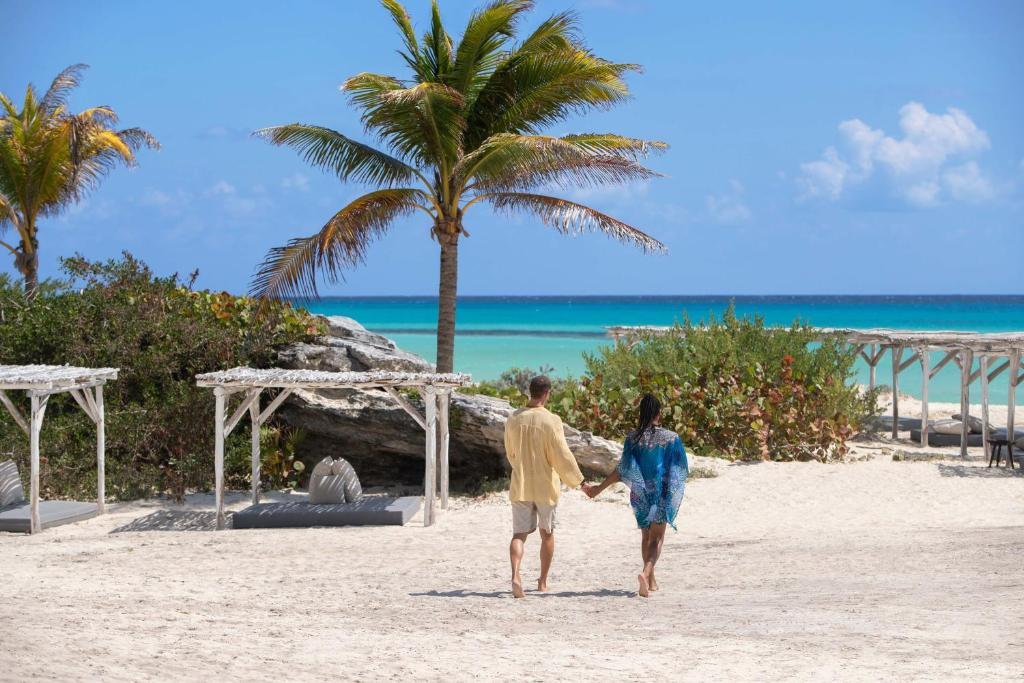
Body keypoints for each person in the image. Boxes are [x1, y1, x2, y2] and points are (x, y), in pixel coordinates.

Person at [584, 394, 688, 597]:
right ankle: (646, 572)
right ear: (659, 413)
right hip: (660, 493)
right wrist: (670, 491)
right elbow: (680, 469)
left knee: (646, 535)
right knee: (657, 538)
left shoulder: (632, 439)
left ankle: (650, 579)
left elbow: (622, 470)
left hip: (640, 493)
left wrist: (598, 489)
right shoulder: (671, 438)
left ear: (641, 413)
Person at [504, 375, 585, 599]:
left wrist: (520, 467)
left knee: (519, 534)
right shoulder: (551, 420)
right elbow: (561, 455)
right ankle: (542, 582)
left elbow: (510, 452)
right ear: (547, 393)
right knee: (547, 533)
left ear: (530, 392)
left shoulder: (513, 418)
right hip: (545, 486)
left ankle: (516, 576)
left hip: (520, 483)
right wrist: (579, 482)